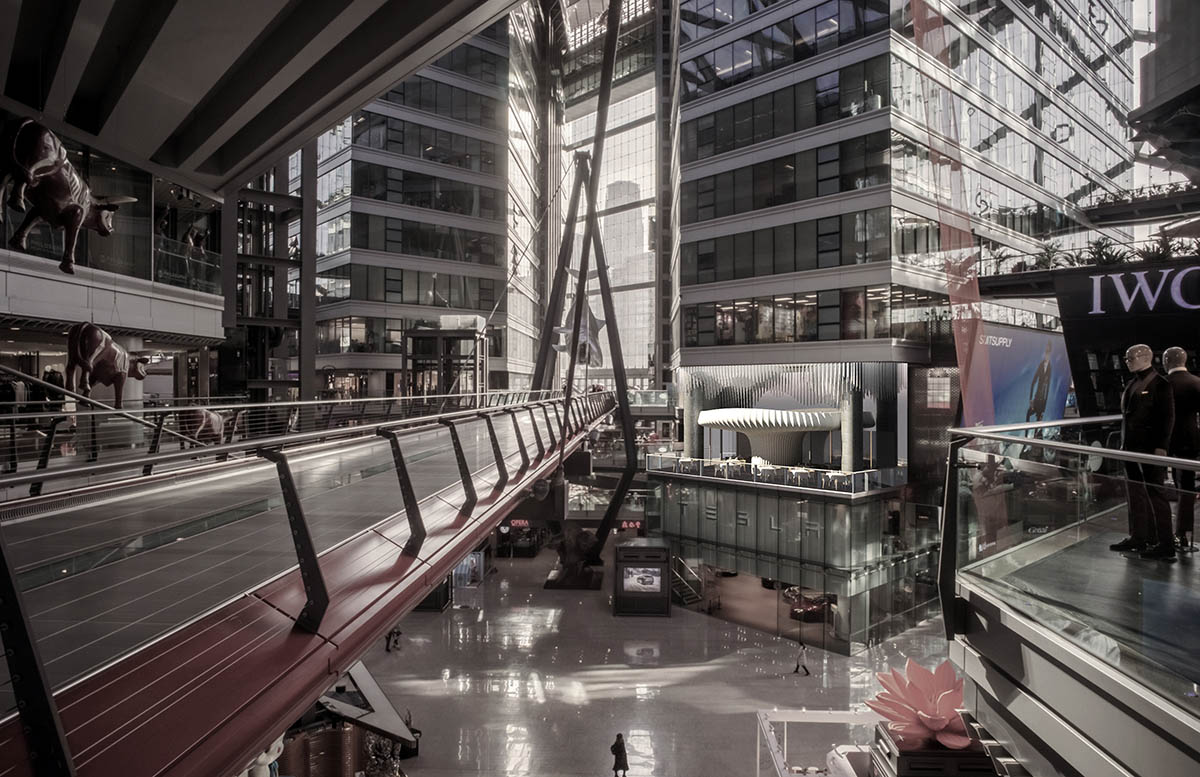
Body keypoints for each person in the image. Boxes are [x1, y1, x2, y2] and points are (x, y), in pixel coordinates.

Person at [1110, 344, 1176, 560]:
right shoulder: (1133, 383)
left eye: (1130, 358)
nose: (1126, 361)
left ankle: (1165, 542)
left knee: (1156, 494)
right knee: (1135, 494)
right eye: (1126, 357)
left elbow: (1167, 417)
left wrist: (1161, 447)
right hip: (1131, 448)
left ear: (1143, 357)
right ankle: (1139, 536)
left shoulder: (1160, 384)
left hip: (1149, 450)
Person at [1164, 347, 1200, 548]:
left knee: (1158, 487)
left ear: (1166, 361)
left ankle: (1162, 532)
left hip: (1164, 442)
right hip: (1190, 441)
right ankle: (1182, 533)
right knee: (1186, 487)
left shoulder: (1162, 384)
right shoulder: (1196, 383)